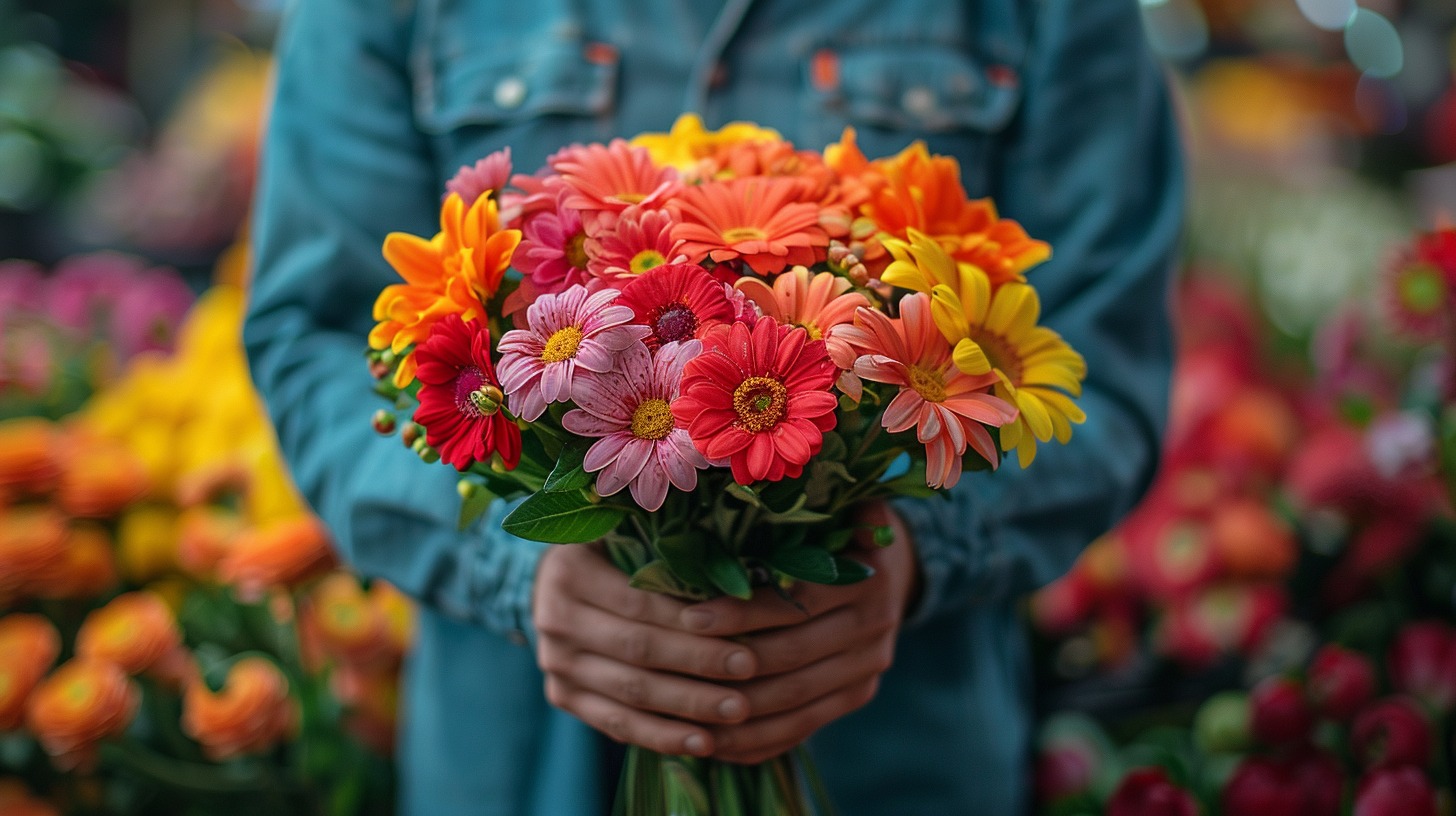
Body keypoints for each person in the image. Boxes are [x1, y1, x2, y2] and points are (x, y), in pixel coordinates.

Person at [244, 0, 1182, 812]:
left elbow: (1106, 366)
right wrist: (511, 562)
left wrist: (915, 554)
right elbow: (314, 337)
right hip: (513, 769)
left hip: (897, 762)